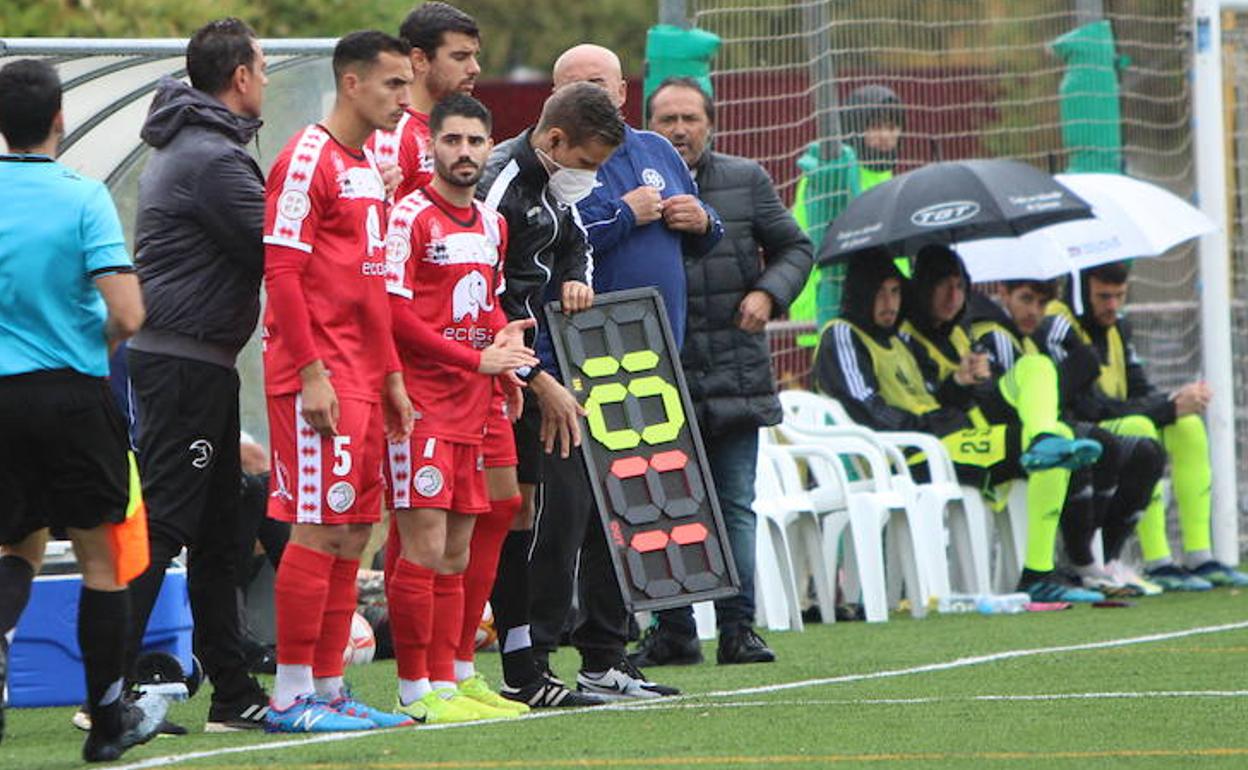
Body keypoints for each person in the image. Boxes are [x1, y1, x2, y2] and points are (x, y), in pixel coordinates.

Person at [523, 43, 723, 701]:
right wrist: (624, 215)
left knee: (635, 511)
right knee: (576, 514)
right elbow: (557, 246)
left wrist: (705, 221)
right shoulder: (553, 163)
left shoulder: (658, 150)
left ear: (622, 91)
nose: (593, 94)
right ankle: (540, 659)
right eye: (577, 83)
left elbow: (703, 225)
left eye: (600, 83)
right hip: (581, 356)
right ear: (555, 97)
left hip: (652, 356)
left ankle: (607, 655)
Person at [0, 58, 173, 761]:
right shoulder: (81, 196)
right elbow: (128, 313)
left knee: (16, 547)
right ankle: (107, 722)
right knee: (102, 560)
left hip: (1, 398)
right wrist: (82, 343)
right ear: (59, 118)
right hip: (71, 394)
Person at [260, 30, 416, 733]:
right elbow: (283, 273)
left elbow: (374, 286)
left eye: (407, 86)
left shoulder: (369, 167)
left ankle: (329, 690)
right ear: (351, 83)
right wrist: (312, 374)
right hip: (317, 376)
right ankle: (290, 695)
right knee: (318, 529)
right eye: (392, 85)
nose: (404, 100)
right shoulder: (305, 158)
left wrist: (390, 377)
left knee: (354, 532)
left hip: (362, 374)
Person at [631, 76, 811, 667]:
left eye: (690, 118)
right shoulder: (629, 183)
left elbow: (796, 248)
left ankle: (739, 628)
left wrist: (768, 294)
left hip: (735, 371)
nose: (679, 129)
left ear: (710, 124)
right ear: (647, 126)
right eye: (666, 120)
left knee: (734, 504)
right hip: (657, 375)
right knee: (666, 505)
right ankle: (674, 629)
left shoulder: (746, 179)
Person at [125, 18, 269, 732]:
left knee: (218, 530)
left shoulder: (200, 145)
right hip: (183, 366)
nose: (267, 82)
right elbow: (280, 246)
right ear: (239, 78)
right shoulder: (212, 157)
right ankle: (105, 692)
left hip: (196, 365)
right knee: (167, 525)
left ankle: (235, 693)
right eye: (262, 69)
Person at [816, 252, 1106, 603]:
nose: (889, 302)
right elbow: (868, 410)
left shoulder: (895, 340)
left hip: (944, 438)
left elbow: (930, 399)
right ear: (860, 294)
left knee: (1037, 368)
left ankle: (1043, 443)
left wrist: (960, 383)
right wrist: (936, 421)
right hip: (913, 454)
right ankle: (1038, 574)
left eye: (894, 292)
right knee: (1058, 442)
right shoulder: (843, 334)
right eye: (879, 293)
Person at [382, 93, 538, 724]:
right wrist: (475, 361)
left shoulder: (491, 224)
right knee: (424, 544)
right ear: (432, 147)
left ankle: (453, 676)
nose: (465, 153)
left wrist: (503, 342)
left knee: (460, 546)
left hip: (476, 405)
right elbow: (393, 313)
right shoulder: (409, 217)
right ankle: (414, 688)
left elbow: (489, 307)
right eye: (453, 141)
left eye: (476, 142)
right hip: (421, 404)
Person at [476, 82, 623, 707]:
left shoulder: (554, 190)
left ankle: (524, 666)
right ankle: (450, 669)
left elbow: (577, 243)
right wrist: (538, 381)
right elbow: (480, 296)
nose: (590, 178)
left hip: (524, 367)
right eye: (588, 164)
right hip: (487, 373)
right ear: (556, 141)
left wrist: (572, 281)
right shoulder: (500, 185)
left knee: (525, 513)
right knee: (478, 522)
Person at [905, 249, 1163, 598]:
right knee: (1049, 405)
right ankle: (1060, 568)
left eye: (959, 287)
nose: (954, 297)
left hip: (974, 429)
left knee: (1105, 436)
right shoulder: (914, 336)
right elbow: (917, 406)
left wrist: (963, 384)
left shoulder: (963, 334)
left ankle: (1092, 563)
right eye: (944, 287)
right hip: (928, 447)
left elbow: (966, 397)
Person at [1046, 262, 1248, 589]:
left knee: (1189, 427)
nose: (1112, 305)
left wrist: (1173, 402)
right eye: (1103, 296)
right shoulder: (1058, 324)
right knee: (1142, 427)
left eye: (1119, 296)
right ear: (1081, 293)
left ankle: (1200, 555)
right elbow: (1084, 406)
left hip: (1112, 421)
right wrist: (1164, 408)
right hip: (1080, 429)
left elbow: (1140, 390)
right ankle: (1157, 561)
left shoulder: (1118, 327)